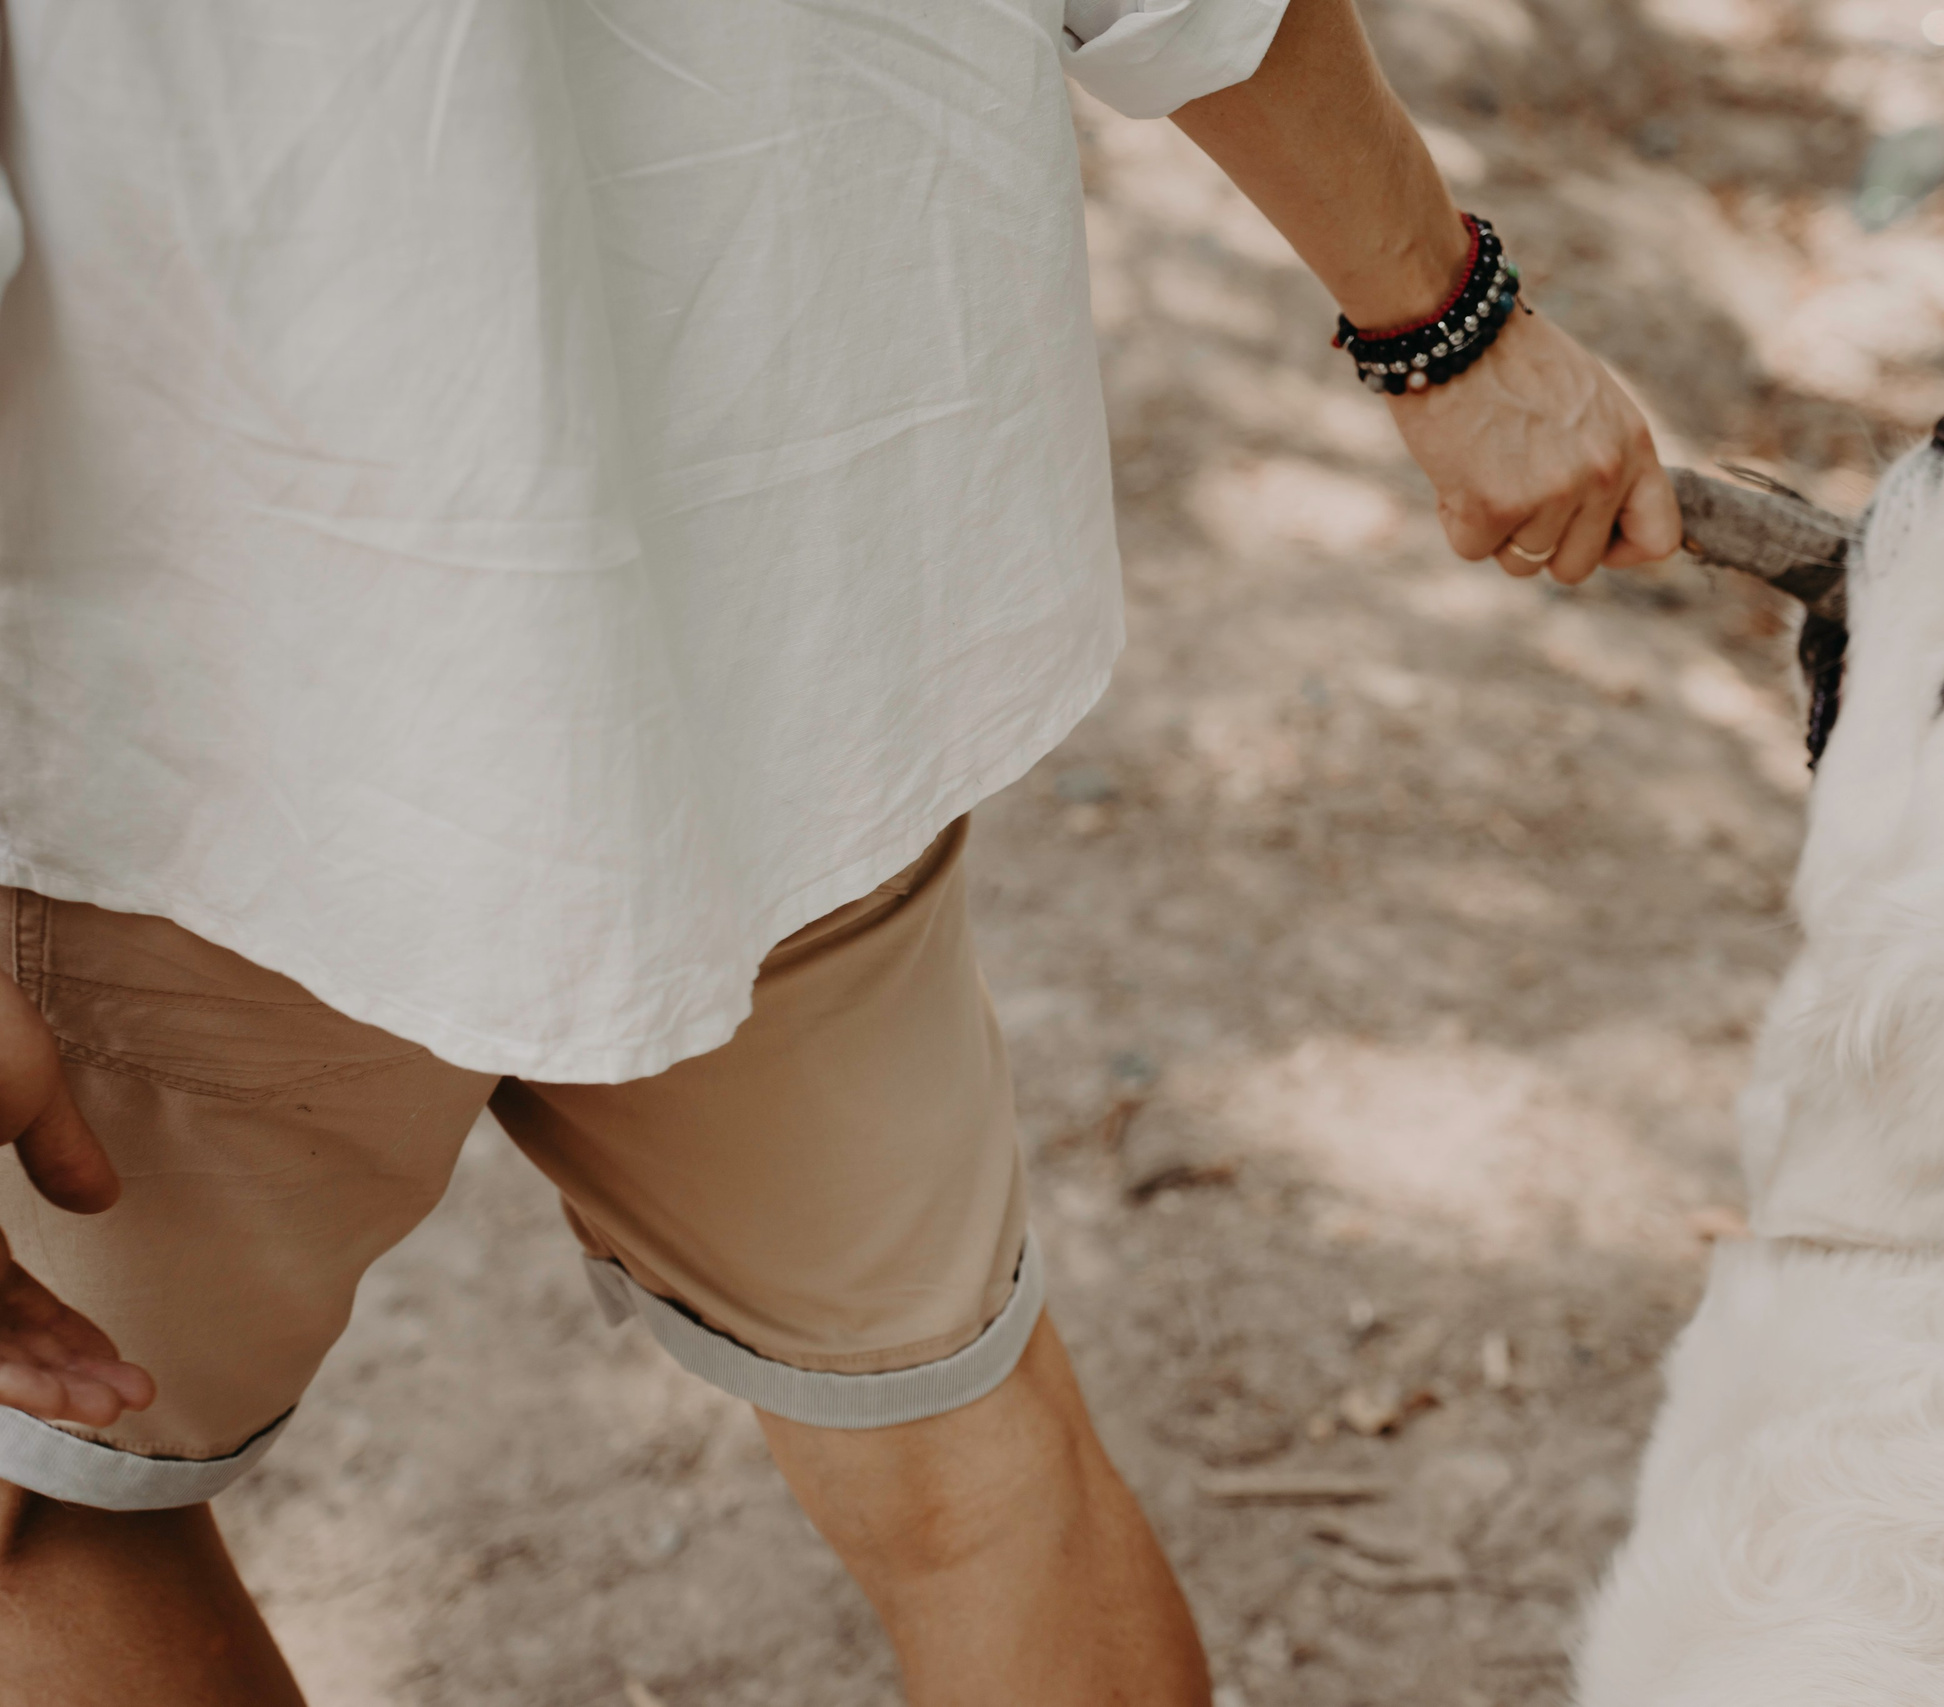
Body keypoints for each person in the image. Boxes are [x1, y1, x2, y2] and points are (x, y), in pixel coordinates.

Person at [0, 0, 1679, 1699]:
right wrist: (1453, 332)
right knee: (971, 1471)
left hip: (196, 750)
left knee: (51, 1511)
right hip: (768, 670)